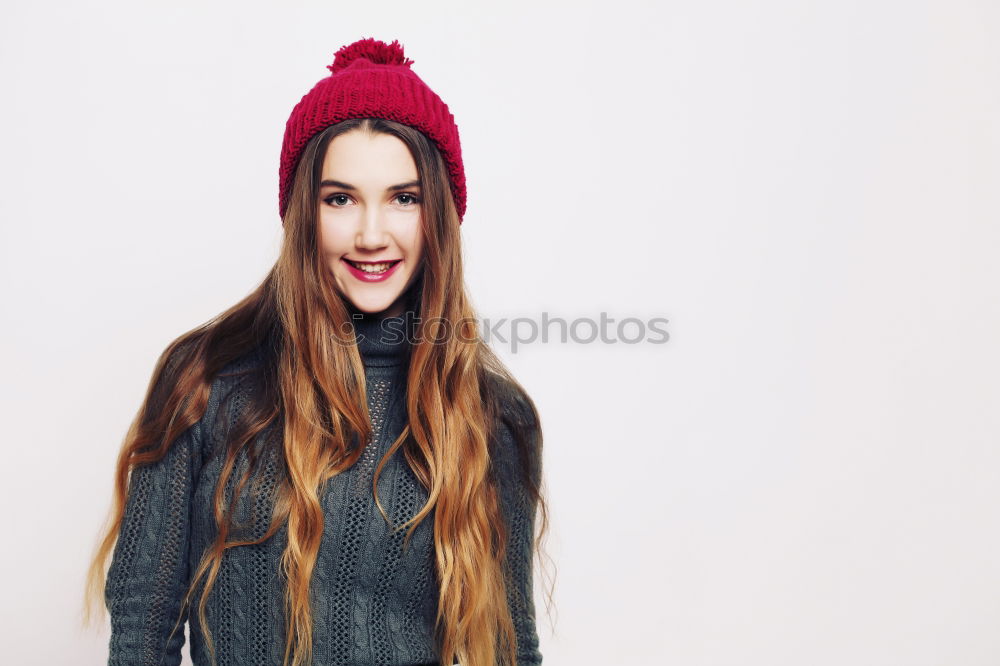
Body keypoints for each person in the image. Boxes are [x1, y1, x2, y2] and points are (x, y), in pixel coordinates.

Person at [82, 37, 550, 666]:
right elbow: (142, 635)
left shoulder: (493, 415)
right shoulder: (205, 381)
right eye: (341, 199)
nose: (371, 234)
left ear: (438, 215)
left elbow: (511, 649)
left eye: (403, 198)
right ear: (304, 211)